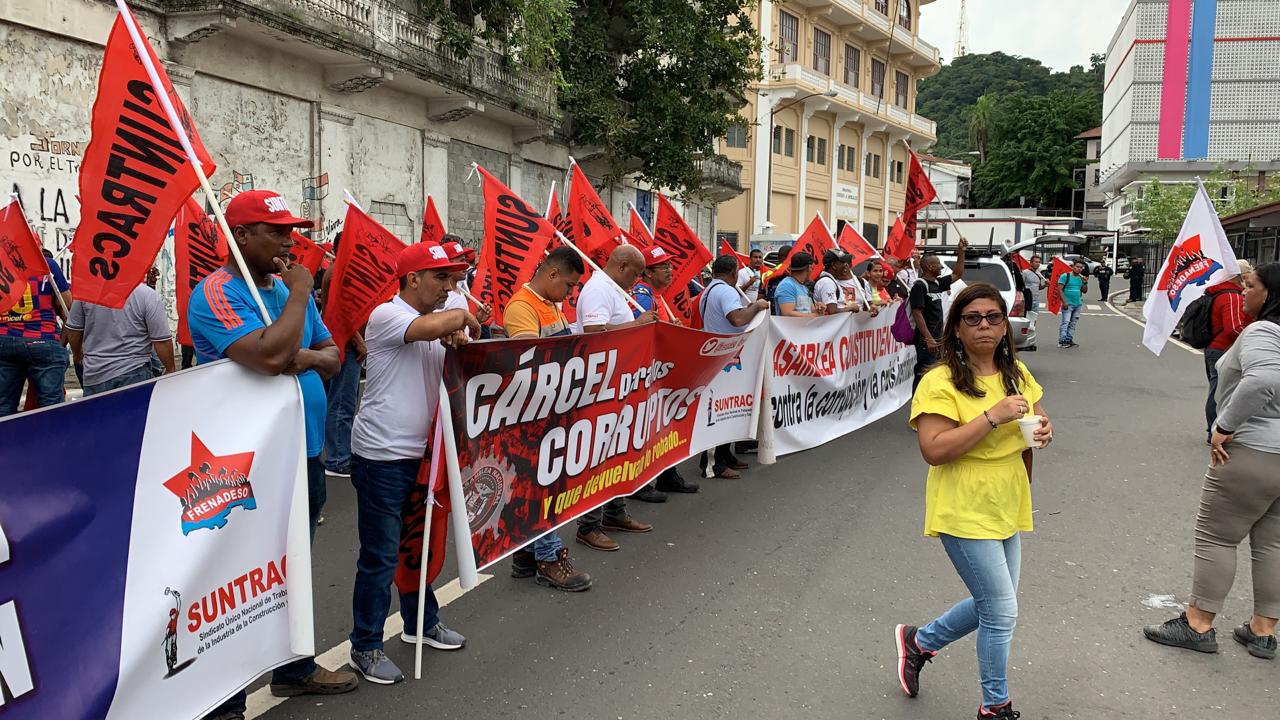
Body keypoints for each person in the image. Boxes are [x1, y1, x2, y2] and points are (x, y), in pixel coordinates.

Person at [187, 190, 353, 720]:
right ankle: (224, 702)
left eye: (290, 230)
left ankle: (295, 670)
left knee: (293, 569)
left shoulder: (281, 290)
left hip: (304, 452)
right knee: (237, 582)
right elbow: (268, 355)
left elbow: (332, 356)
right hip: (245, 465)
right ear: (241, 237)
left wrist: (294, 355)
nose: (289, 241)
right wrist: (301, 297)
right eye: (276, 231)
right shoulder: (215, 293)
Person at [896, 282, 1052, 720]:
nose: (984, 325)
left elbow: (1038, 420)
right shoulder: (939, 380)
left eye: (994, 317)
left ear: (1005, 326)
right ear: (957, 329)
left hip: (1007, 496)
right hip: (963, 501)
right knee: (1001, 610)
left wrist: (1043, 431)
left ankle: (920, 641)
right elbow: (934, 449)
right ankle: (995, 705)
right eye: (973, 318)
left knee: (995, 603)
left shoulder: (1017, 375)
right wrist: (990, 416)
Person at [345, 242, 479, 685]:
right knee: (380, 556)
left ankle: (421, 624)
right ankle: (364, 646)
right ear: (412, 279)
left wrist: (457, 333)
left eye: (453, 279)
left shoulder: (431, 323)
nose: (450, 287)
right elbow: (442, 323)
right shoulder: (388, 315)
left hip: (426, 453)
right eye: (441, 278)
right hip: (383, 456)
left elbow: (451, 336)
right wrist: (461, 319)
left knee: (417, 548)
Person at [1143, 263, 1280, 661]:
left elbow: (1262, 381)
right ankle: (1263, 630)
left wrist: (1224, 424)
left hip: (1253, 451)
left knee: (1217, 536)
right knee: (1271, 542)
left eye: (1250, 286)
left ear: (1269, 295)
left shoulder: (1263, 332)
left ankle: (1198, 623)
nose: (1244, 293)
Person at [503, 247, 594, 591]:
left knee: (540, 482)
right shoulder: (522, 308)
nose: (571, 295)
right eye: (569, 286)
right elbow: (531, 364)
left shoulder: (551, 304)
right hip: (533, 414)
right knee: (545, 484)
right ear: (552, 274)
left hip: (553, 408)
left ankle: (526, 554)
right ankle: (549, 557)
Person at [573, 244, 657, 552]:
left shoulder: (611, 288)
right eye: (635, 274)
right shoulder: (598, 289)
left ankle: (614, 512)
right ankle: (588, 525)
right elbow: (595, 330)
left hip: (618, 383)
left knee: (617, 450)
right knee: (599, 455)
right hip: (600, 386)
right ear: (621, 267)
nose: (636, 281)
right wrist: (637, 325)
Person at [631, 245, 700, 496]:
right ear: (648, 272)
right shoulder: (642, 295)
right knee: (648, 426)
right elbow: (642, 332)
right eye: (663, 267)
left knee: (664, 424)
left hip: (661, 369)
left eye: (670, 266)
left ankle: (667, 475)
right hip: (649, 371)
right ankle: (640, 483)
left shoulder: (655, 295)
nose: (670, 270)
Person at [698, 254, 770, 478]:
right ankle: (713, 464)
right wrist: (757, 306)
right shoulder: (726, 290)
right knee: (720, 409)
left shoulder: (710, 289)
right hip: (724, 356)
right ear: (733, 272)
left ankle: (725, 454)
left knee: (728, 408)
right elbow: (737, 320)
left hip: (724, 354)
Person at [65, 282, 175, 396]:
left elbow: (73, 330)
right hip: (134, 373)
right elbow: (162, 340)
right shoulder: (147, 295)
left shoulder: (86, 293)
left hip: (95, 374)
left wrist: (78, 355)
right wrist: (170, 368)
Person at [0, 253, 70, 416]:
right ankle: (52, 440)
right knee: (51, 408)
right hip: (43, 339)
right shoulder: (47, 265)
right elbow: (67, 305)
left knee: (3, 407)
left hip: (4, 339)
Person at [319, 232, 365, 479]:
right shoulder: (339, 272)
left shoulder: (340, 270)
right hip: (345, 344)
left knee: (340, 400)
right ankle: (338, 458)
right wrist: (359, 341)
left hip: (344, 343)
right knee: (342, 402)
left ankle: (338, 452)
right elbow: (344, 311)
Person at [1202, 261, 1254, 437]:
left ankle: (1214, 429)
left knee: (1217, 390)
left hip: (1214, 347)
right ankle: (1216, 430)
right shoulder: (1231, 296)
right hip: (1224, 348)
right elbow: (1233, 327)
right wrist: (1252, 337)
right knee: (1220, 392)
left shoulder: (1218, 292)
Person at [910, 239, 970, 391]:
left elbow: (957, 273)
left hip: (937, 337)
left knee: (934, 370)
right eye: (938, 264)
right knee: (924, 371)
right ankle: (918, 401)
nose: (942, 267)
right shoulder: (919, 286)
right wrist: (928, 339)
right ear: (929, 266)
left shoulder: (936, 283)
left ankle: (930, 399)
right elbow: (917, 313)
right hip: (926, 340)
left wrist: (961, 252)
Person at [814, 250, 862, 315]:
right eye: (842, 262)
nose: (845, 265)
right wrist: (851, 308)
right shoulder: (827, 283)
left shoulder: (831, 281)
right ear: (834, 265)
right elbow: (832, 311)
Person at [775, 252, 821, 318]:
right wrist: (814, 315)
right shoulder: (786, 285)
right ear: (809, 267)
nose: (812, 271)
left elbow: (812, 311)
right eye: (812, 268)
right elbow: (788, 313)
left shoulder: (804, 287)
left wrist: (819, 309)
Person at [1057, 259, 1087, 348]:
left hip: (1077, 304)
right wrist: (1064, 302)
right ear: (1073, 267)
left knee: (1073, 323)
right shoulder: (1065, 276)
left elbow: (1084, 291)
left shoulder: (1081, 278)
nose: (1079, 269)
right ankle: (1062, 340)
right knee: (1065, 322)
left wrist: (1085, 282)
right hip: (1068, 304)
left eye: (1081, 268)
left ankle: (1069, 339)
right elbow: (1060, 289)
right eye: (1077, 267)